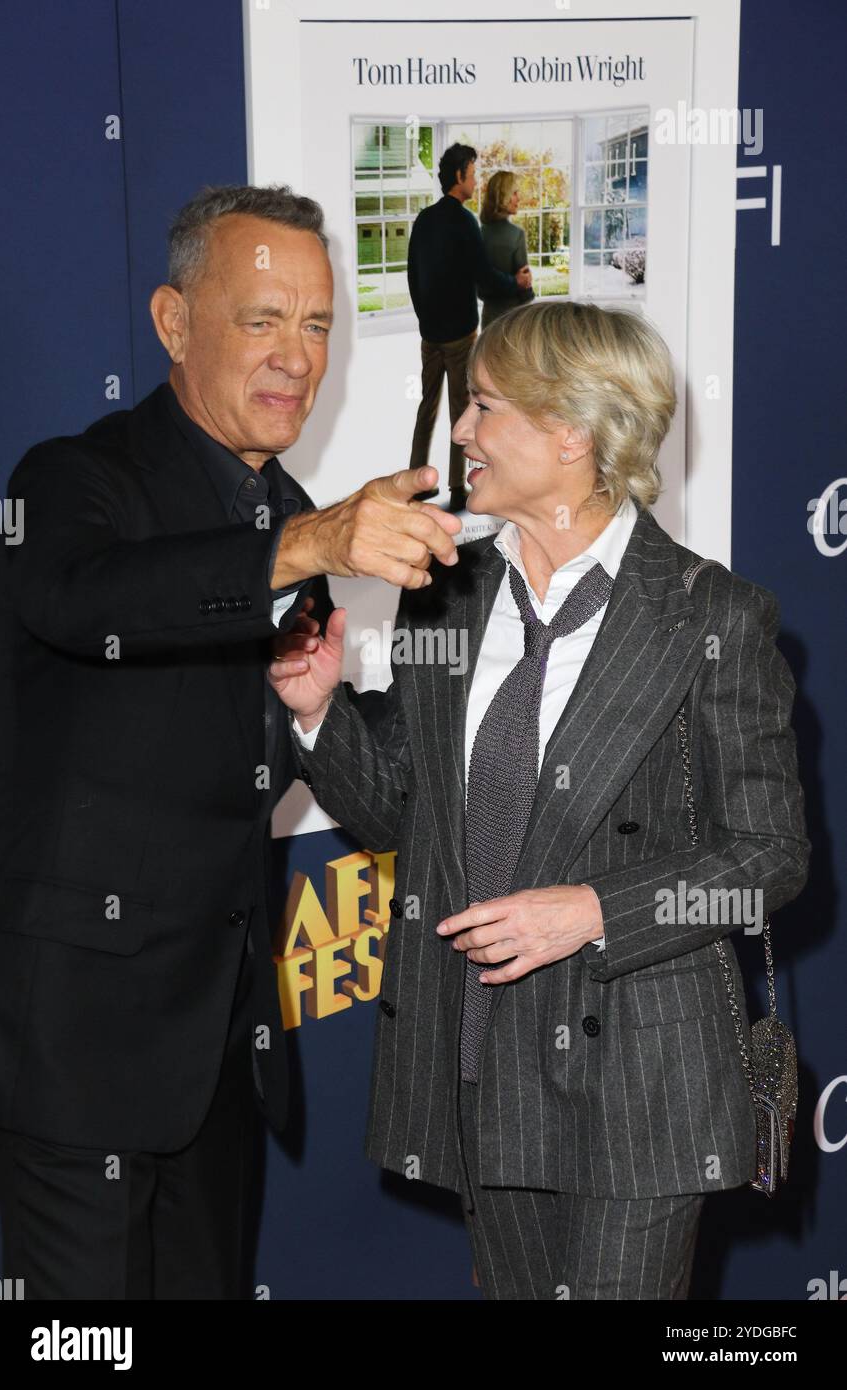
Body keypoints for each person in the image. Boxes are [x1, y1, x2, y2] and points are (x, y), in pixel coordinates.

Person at [269, 299, 810, 1301]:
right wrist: (317, 712)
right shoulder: (445, 589)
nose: (460, 431)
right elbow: (400, 815)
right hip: (484, 1058)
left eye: (482, 405)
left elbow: (767, 855)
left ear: (571, 430)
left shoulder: (711, 615)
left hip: (639, 1077)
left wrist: (594, 911)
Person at [0, 183, 461, 1300]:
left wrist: (314, 706)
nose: (296, 357)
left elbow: (386, 808)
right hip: (73, 1056)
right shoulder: (76, 478)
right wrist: (302, 547)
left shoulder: (286, 514)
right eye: (261, 319)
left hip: (218, 1065)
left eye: (317, 324)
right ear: (172, 321)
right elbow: (86, 600)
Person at [407, 143, 531, 513]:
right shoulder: (464, 222)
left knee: (426, 407)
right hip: (460, 334)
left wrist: (424, 319)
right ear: (459, 175)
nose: (476, 181)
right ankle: (458, 488)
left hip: (430, 334)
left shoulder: (424, 220)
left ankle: (416, 480)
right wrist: (517, 285)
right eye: (473, 174)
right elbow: (484, 278)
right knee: (461, 410)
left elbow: (412, 276)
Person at [479, 170, 535, 330]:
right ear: (503, 197)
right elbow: (525, 289)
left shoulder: (479, 234)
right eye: (514, 193)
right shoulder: (516, 234)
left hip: (488, 318)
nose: (519, 198)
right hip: (514, 319)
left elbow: (479, 286)